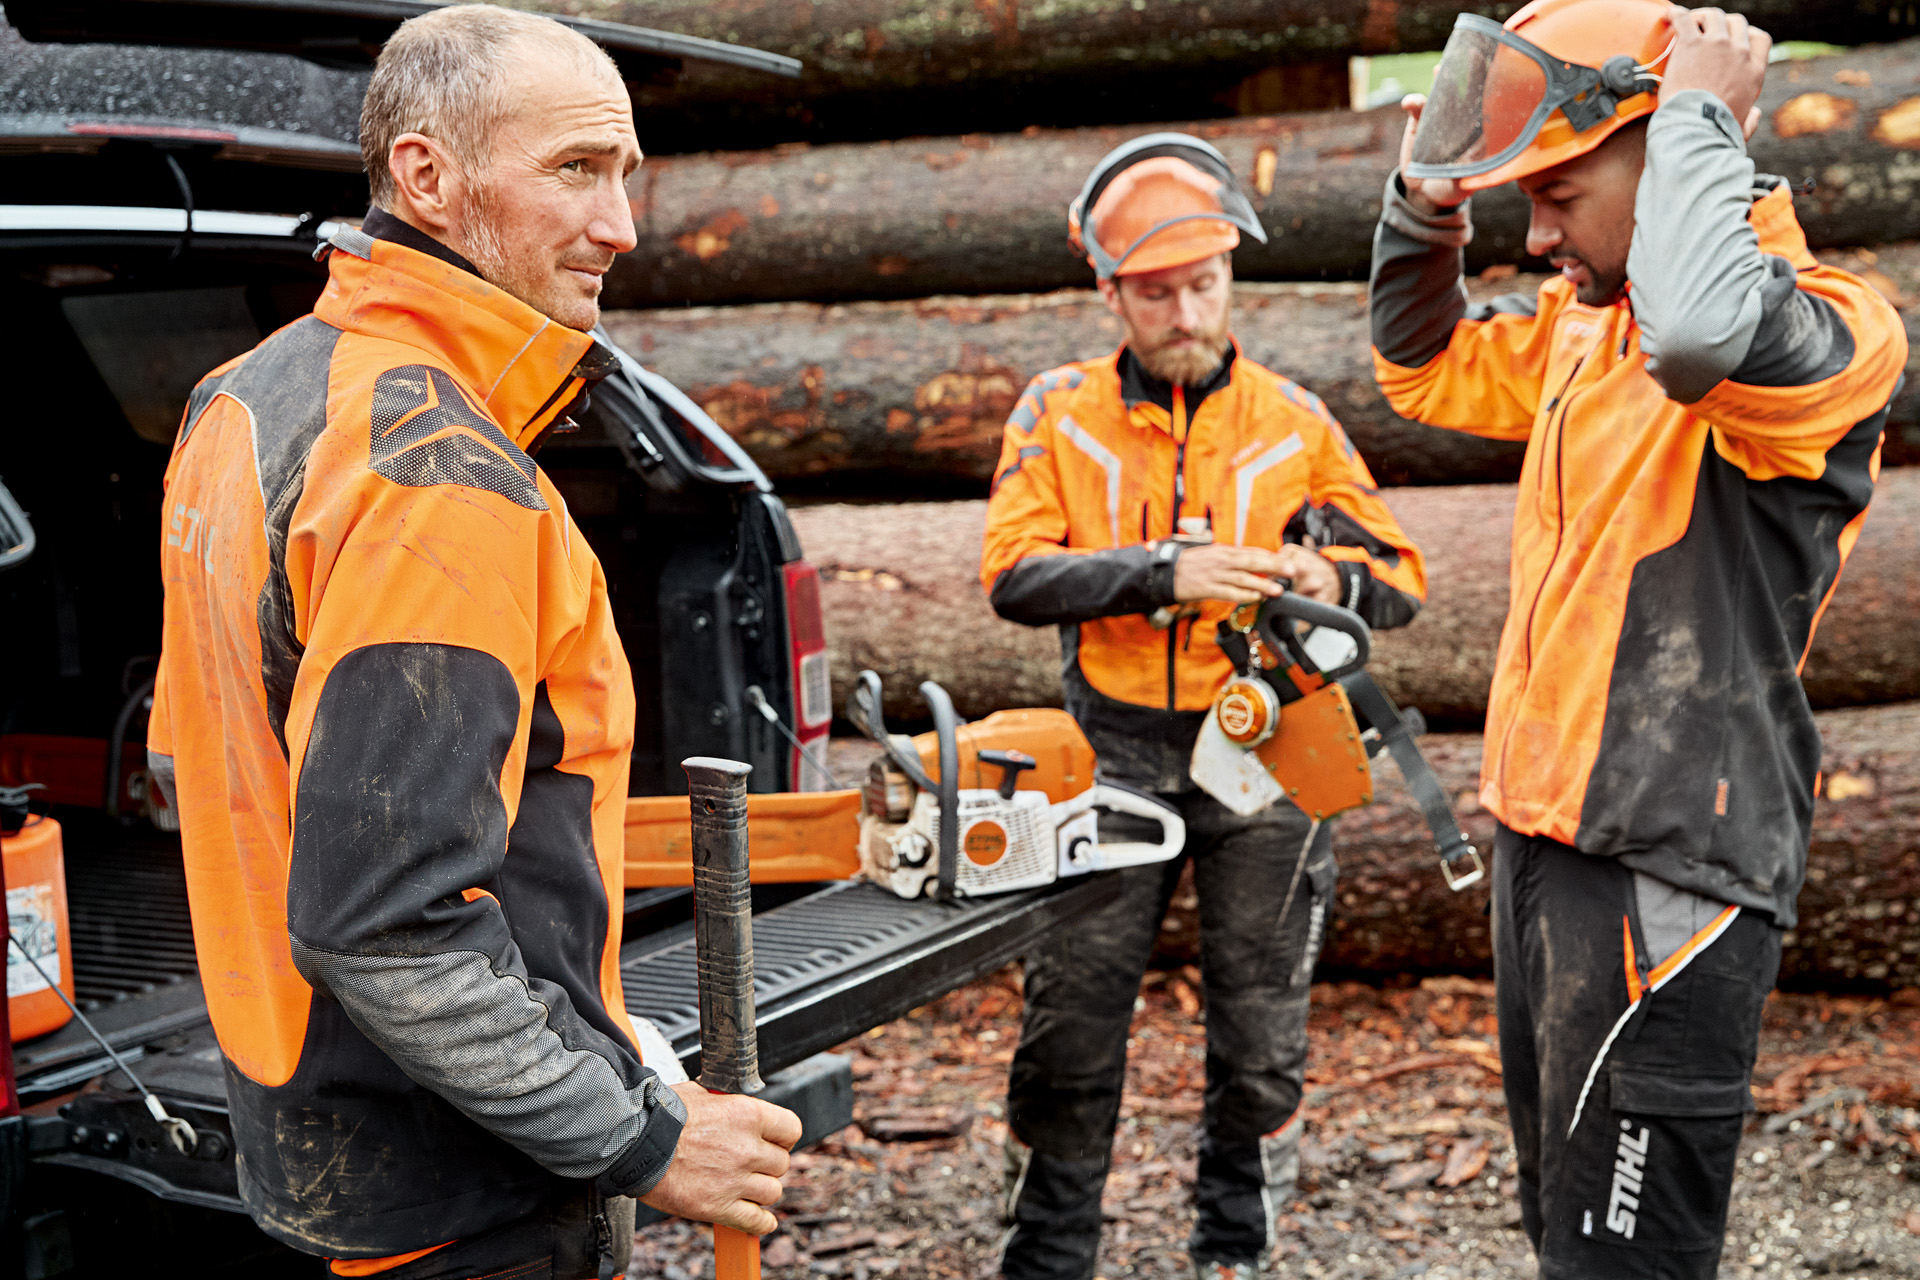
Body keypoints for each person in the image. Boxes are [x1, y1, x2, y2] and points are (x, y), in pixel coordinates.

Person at [146, 7, 800, 1277]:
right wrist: (643, 1138)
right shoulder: (436, 472)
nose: (620, 225)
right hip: (460, 1190)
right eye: (574, 169)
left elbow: (193, 762)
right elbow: (385, 919)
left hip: (317, 1142)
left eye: (626, 175)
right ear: (427, 177)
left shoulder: (247, 395)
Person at [1371, 1, 1907, 1275]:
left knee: (1630, 1262)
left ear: (1664, 153)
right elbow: (1422, 365)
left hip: (1674, 863)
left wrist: (1704, 119)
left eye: (1557, 193)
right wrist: (1428, 207)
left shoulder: (1825, 329)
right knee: (1565, 1236)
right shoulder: (1587, 326)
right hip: (1550, 839)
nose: (1539, 234)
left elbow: (1702, 334)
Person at [980, 133, 1427, 1280]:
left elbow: (1403, 575)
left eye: (1204, 283)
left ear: (1231, 277)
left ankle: (1235, 1251)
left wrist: (1334, 580)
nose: (1185, 310)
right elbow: (1015, 575)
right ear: (1111, 290)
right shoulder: (1058, 412)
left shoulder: (1293, 417)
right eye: (1159, 290)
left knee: (1262, 1028)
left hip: (1264, 752)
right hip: (1112, 753)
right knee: (1073, 1021)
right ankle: (1049, 1255)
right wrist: (1158, 572)